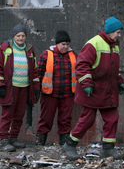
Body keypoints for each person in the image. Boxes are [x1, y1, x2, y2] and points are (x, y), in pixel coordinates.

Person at [63, 17, 124, 160]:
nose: (119, 35)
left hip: (107, 90)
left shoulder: (114, 46)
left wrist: (119, 81)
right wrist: (86, 84)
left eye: (120, 32)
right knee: (87, 120)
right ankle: (70, 144)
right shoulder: (93, 44)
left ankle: (108, 149)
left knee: (112, 118)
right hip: (93, 89)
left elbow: (113, 69)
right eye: (117, 32)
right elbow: (81, 66)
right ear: (109, 32)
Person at [0, 24, 40, 152]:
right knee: (7, 115)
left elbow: (34, 70)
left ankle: (13, 138)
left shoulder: (29, 50)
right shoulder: (5, 49)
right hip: (10, 88)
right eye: (18, 36)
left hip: (25, 87)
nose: (21, 38)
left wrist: (36, 87)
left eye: (23, 36)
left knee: (19, 114)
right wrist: (1, 85)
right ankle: (3, 140)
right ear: (13, 37)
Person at [36, 30, 78, 146]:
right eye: (63, 44)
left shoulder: (73, 55)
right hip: (49, 94)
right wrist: (36, 89)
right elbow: (38, 73)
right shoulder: (46, 54)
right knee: (46, 118)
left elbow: (79, 72)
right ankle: (40, 143)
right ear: (57, 44)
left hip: (67, 94)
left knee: (65, 120)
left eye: (67, 44)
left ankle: (63, 144)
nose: (65, 47)